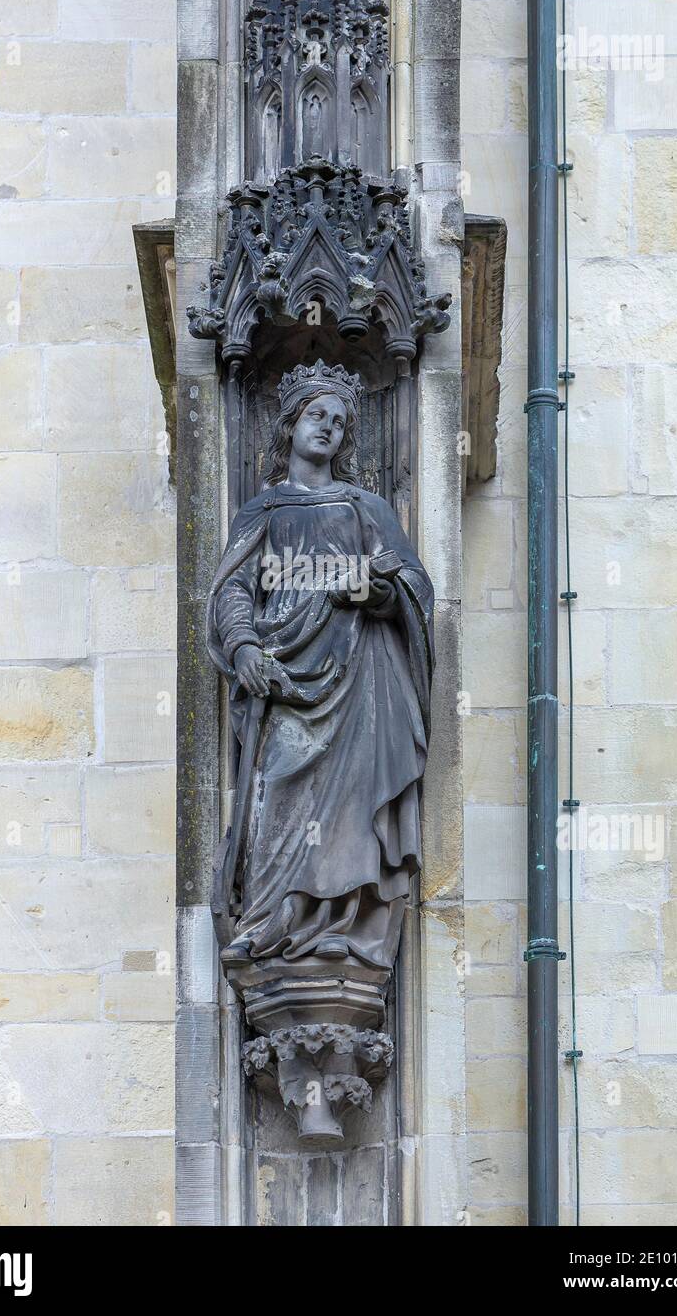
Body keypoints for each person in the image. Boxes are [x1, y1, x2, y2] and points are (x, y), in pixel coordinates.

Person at [207, 360, 434, 970]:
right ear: (291, 424)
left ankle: (346, 926)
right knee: (277, 787)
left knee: (351, 802)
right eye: (316, 415)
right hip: (286, 675)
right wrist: (246, 646)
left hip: (360, 675)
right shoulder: (265, 510)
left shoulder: (365, 507)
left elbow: (412, 583)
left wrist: (374, 591)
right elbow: (233, 589)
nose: (328, 427)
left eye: (339, 419)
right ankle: (268, 922)